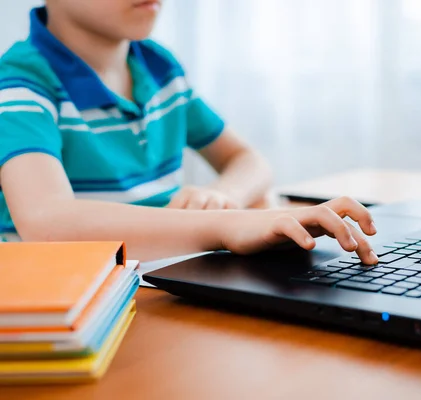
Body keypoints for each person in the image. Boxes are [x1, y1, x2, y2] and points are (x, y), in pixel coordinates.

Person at [0, 0, 378, 263]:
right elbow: (47, 222)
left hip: (156, 274)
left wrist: (223, 195)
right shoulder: (20, 84)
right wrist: (228, 225)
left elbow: (248, 159)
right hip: (74, 302)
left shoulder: (159, 67)